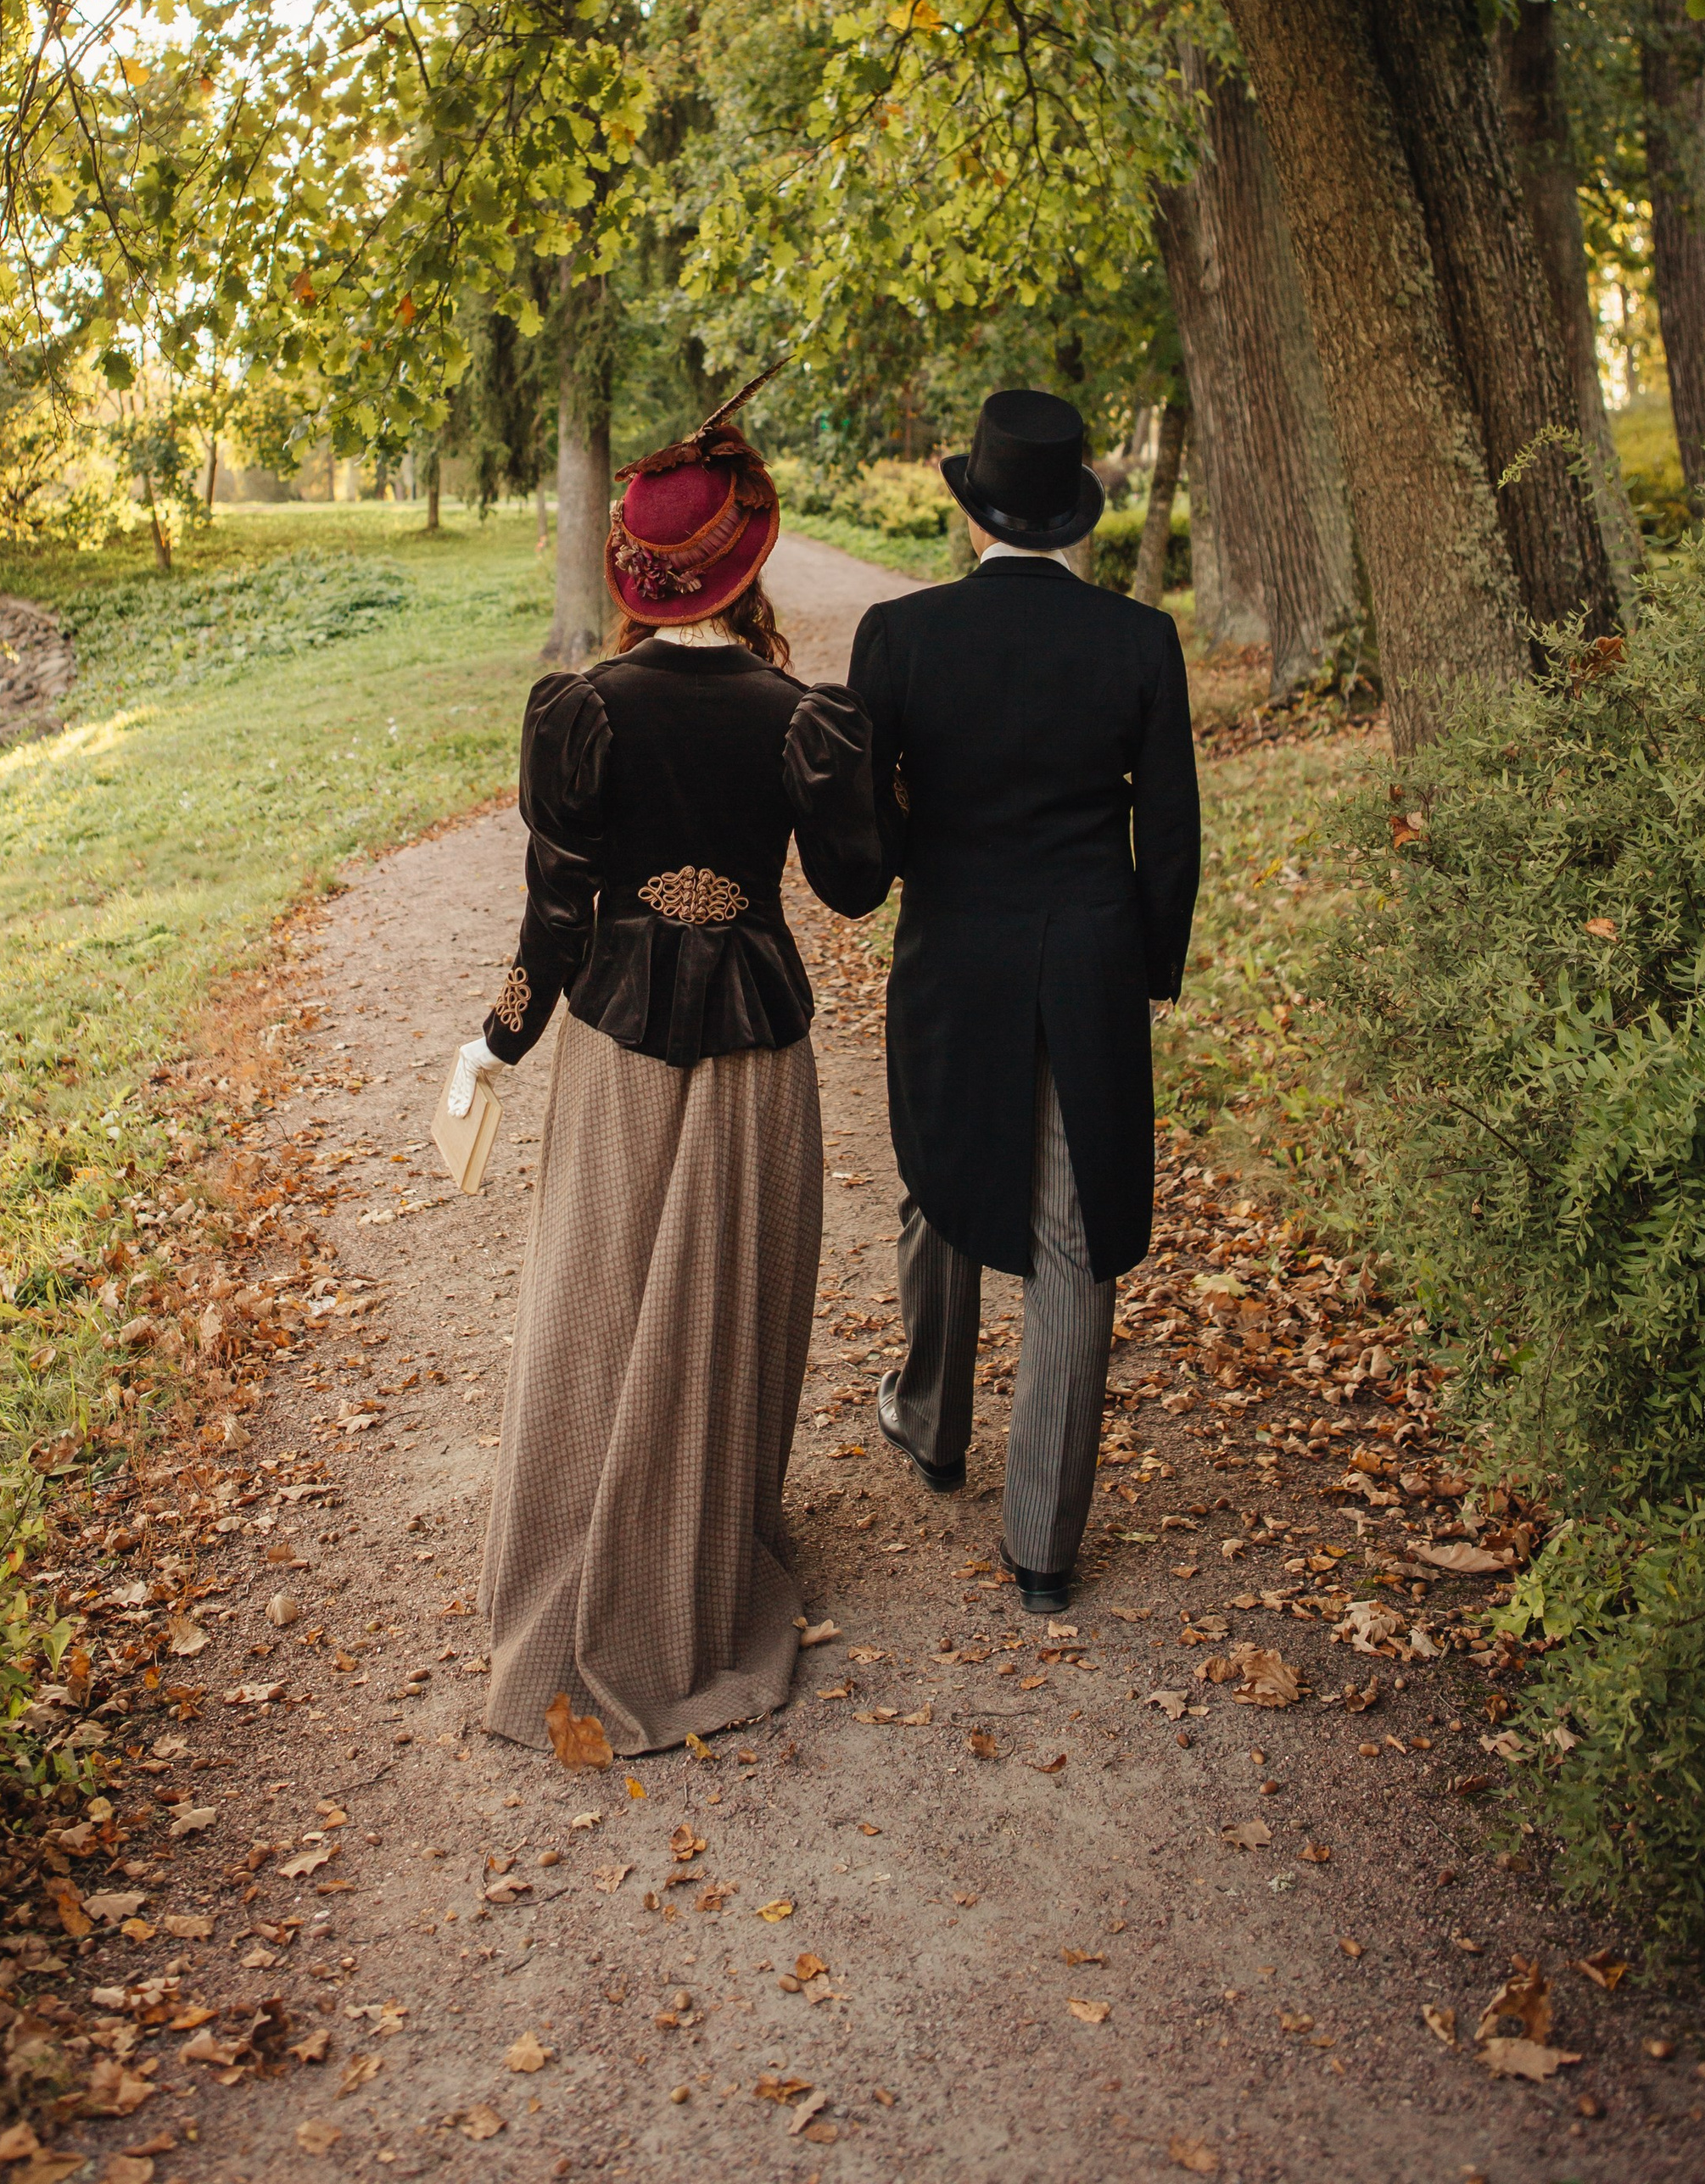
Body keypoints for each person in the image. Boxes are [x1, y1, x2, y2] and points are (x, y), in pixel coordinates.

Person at [444, 388, 886, 1755]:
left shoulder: (583, 709)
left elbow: (555, 915)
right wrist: (873, 778)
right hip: (755, 1051)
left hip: (621, 1046)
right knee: (724, 1304)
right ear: (748, 571)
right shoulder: (806, 718)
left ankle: (589, 1556)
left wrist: (498, 1042)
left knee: (597, 1299)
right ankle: (691, 1559)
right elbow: (858, 890)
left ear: (636, 580)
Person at [847, 388, 1200, 1612]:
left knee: (940, 1181)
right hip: (1086, 959)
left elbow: (876, 836)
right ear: (1070, 519)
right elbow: (1172, 830)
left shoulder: (899, 637)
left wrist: (898, 835)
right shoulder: (1139, 641)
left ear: (974, 509)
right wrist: (1148, 965)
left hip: (954, 954)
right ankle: (1044, 1548)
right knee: (1074, 1233)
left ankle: (932, 1422)